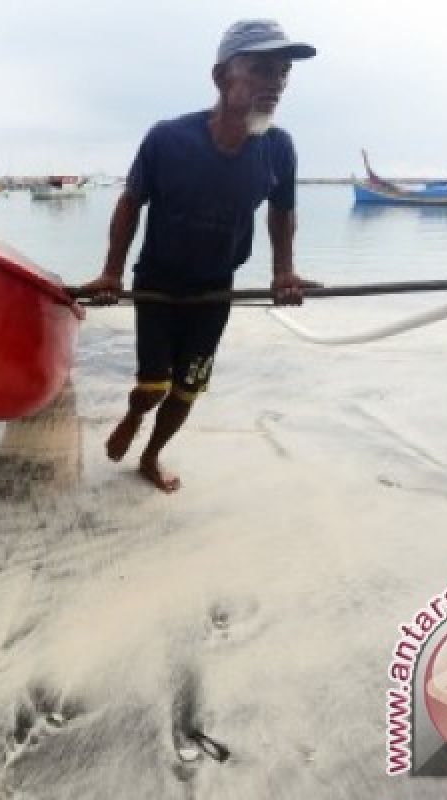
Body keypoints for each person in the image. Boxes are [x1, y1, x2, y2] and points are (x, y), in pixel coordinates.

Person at [81, 19, 319, 493]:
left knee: (188, 389)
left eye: (282, 73)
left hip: (215, 289)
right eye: (260, 71)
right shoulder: (168, 138)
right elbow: (130, 204)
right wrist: (110, 273)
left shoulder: (279, 148)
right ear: (222, 77)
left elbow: (283, 212)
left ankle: (150, 456)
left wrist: (284, 272)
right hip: (158, 283)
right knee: (151, 386)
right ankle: (133, 415)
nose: (274, 85)